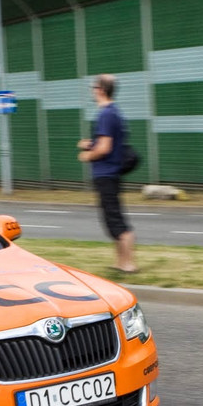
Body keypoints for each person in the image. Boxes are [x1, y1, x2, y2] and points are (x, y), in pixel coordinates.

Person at [77, 73, 137, 273]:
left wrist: (87, 155)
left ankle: (128, 264)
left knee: (115, 220)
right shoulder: (113, 112)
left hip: (106, 173)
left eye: (94, 87)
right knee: (112, 219)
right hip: (110, 173)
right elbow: (106, 143)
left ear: (101, 90)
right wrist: (89, 144)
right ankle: (120, 263)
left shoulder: (106, 114)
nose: (92, 91)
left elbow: (104, 148)